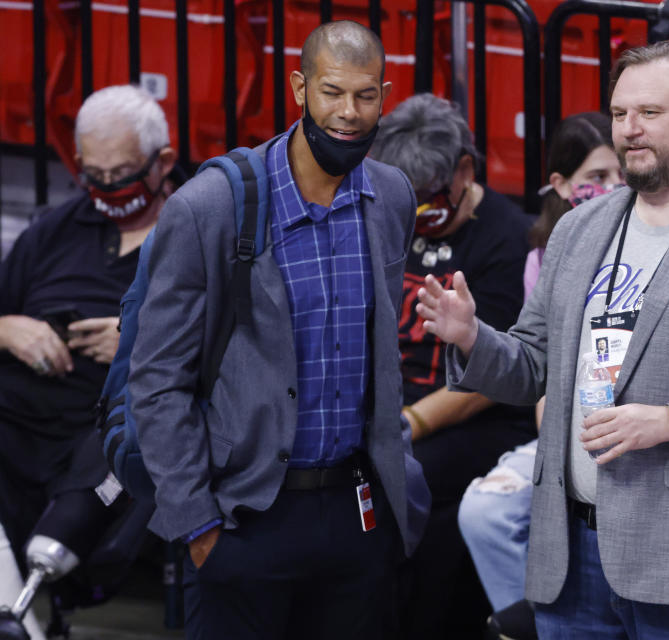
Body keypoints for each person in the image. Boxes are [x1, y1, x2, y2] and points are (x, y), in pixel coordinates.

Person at [417, 41, 669, 638]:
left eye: (650, 114)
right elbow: (534, 364)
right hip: (571, 549)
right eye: (619, 113)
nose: (628, 130)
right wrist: (473, 338)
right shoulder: (581, 228)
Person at [128, 21, 427, 639]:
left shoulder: (393, 195)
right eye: (332, 92)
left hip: (354, 514)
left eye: (366, 96)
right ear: (299, 88)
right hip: (243, 518)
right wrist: (198, 526)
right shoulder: (210, 206)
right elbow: (157, 380)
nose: (349, 113)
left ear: (385, 95)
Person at [0, 84, 178, 639]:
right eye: (92, 175)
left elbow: (233, 337)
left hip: (106, 428)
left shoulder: (197, 230)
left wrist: (137, 334)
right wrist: (7, 329)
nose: (105, 189)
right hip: (17, 414)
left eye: (119, 174)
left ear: (162, 163)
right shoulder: (58, 228)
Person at [368, 93, 536, 638]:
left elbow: (498, 372)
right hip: (388, 406)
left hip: (474, 415)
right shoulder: (382, 219)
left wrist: (408, 425)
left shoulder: (508, 238)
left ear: (465, 170)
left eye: (427, 197)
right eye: (404, 196)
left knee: (417, 472)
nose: (416, 210)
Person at [457, 111, 623, 616]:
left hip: (629, 431)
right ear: (561, 185)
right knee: (483, 511)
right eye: (596, 178)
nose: (613, 187)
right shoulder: (545, 255)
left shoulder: (647, 241)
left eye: (619, 174)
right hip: (560, 430)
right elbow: (541, 364)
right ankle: (527, 621)